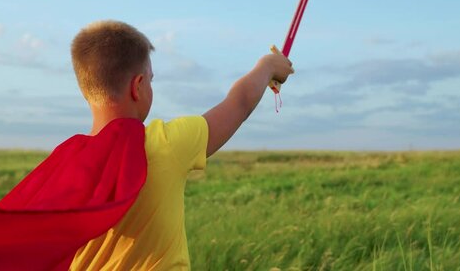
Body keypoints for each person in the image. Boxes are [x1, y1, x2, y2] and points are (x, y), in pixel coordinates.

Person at [69, 20, 294, 270]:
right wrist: (268, 66)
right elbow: (239, 103)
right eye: (151, 81)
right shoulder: (166, 144)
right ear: (138, 86)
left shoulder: (63, 166)